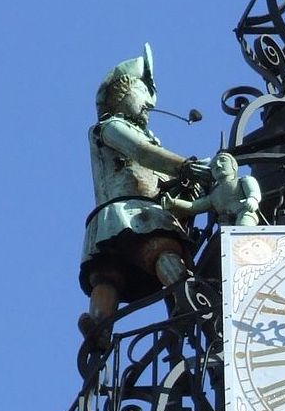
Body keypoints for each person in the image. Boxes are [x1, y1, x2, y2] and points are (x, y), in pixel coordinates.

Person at [78, 44, 209, 347]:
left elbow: (165, 183)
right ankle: (100, 328)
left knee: (151, 255)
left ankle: (183, 296)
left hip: (146, 210)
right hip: (127, 211)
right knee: (113, 271)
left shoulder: (149, 137)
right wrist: (186, 166)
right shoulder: (110, 127)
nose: (150, 103)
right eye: (143, 93)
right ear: (121, 94)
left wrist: (188, 184)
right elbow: (141, 152)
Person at [162, 152, 261, 226]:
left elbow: (253, 191)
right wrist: (174, 202)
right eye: (213, 166)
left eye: (223, 160)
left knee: (243, 228)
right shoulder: (214, 195)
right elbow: (193, 206)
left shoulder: (243, 180)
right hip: (225, 221)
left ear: (234, 166)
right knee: (223, 241)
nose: (218, 165)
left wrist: (253, 199)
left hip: (244, 212)